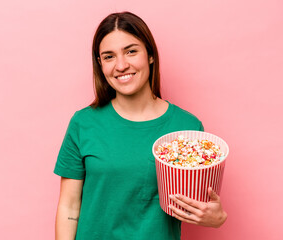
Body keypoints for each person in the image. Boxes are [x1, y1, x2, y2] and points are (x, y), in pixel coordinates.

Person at [54, 11, 227, 240]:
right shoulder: (83, 123)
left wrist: (217, 218)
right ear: (100, 64)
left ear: (150, 55)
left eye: (131, 51)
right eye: (109, 56)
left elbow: (197, 202)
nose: (121, 65)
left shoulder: (187, 128)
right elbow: (69, 207)